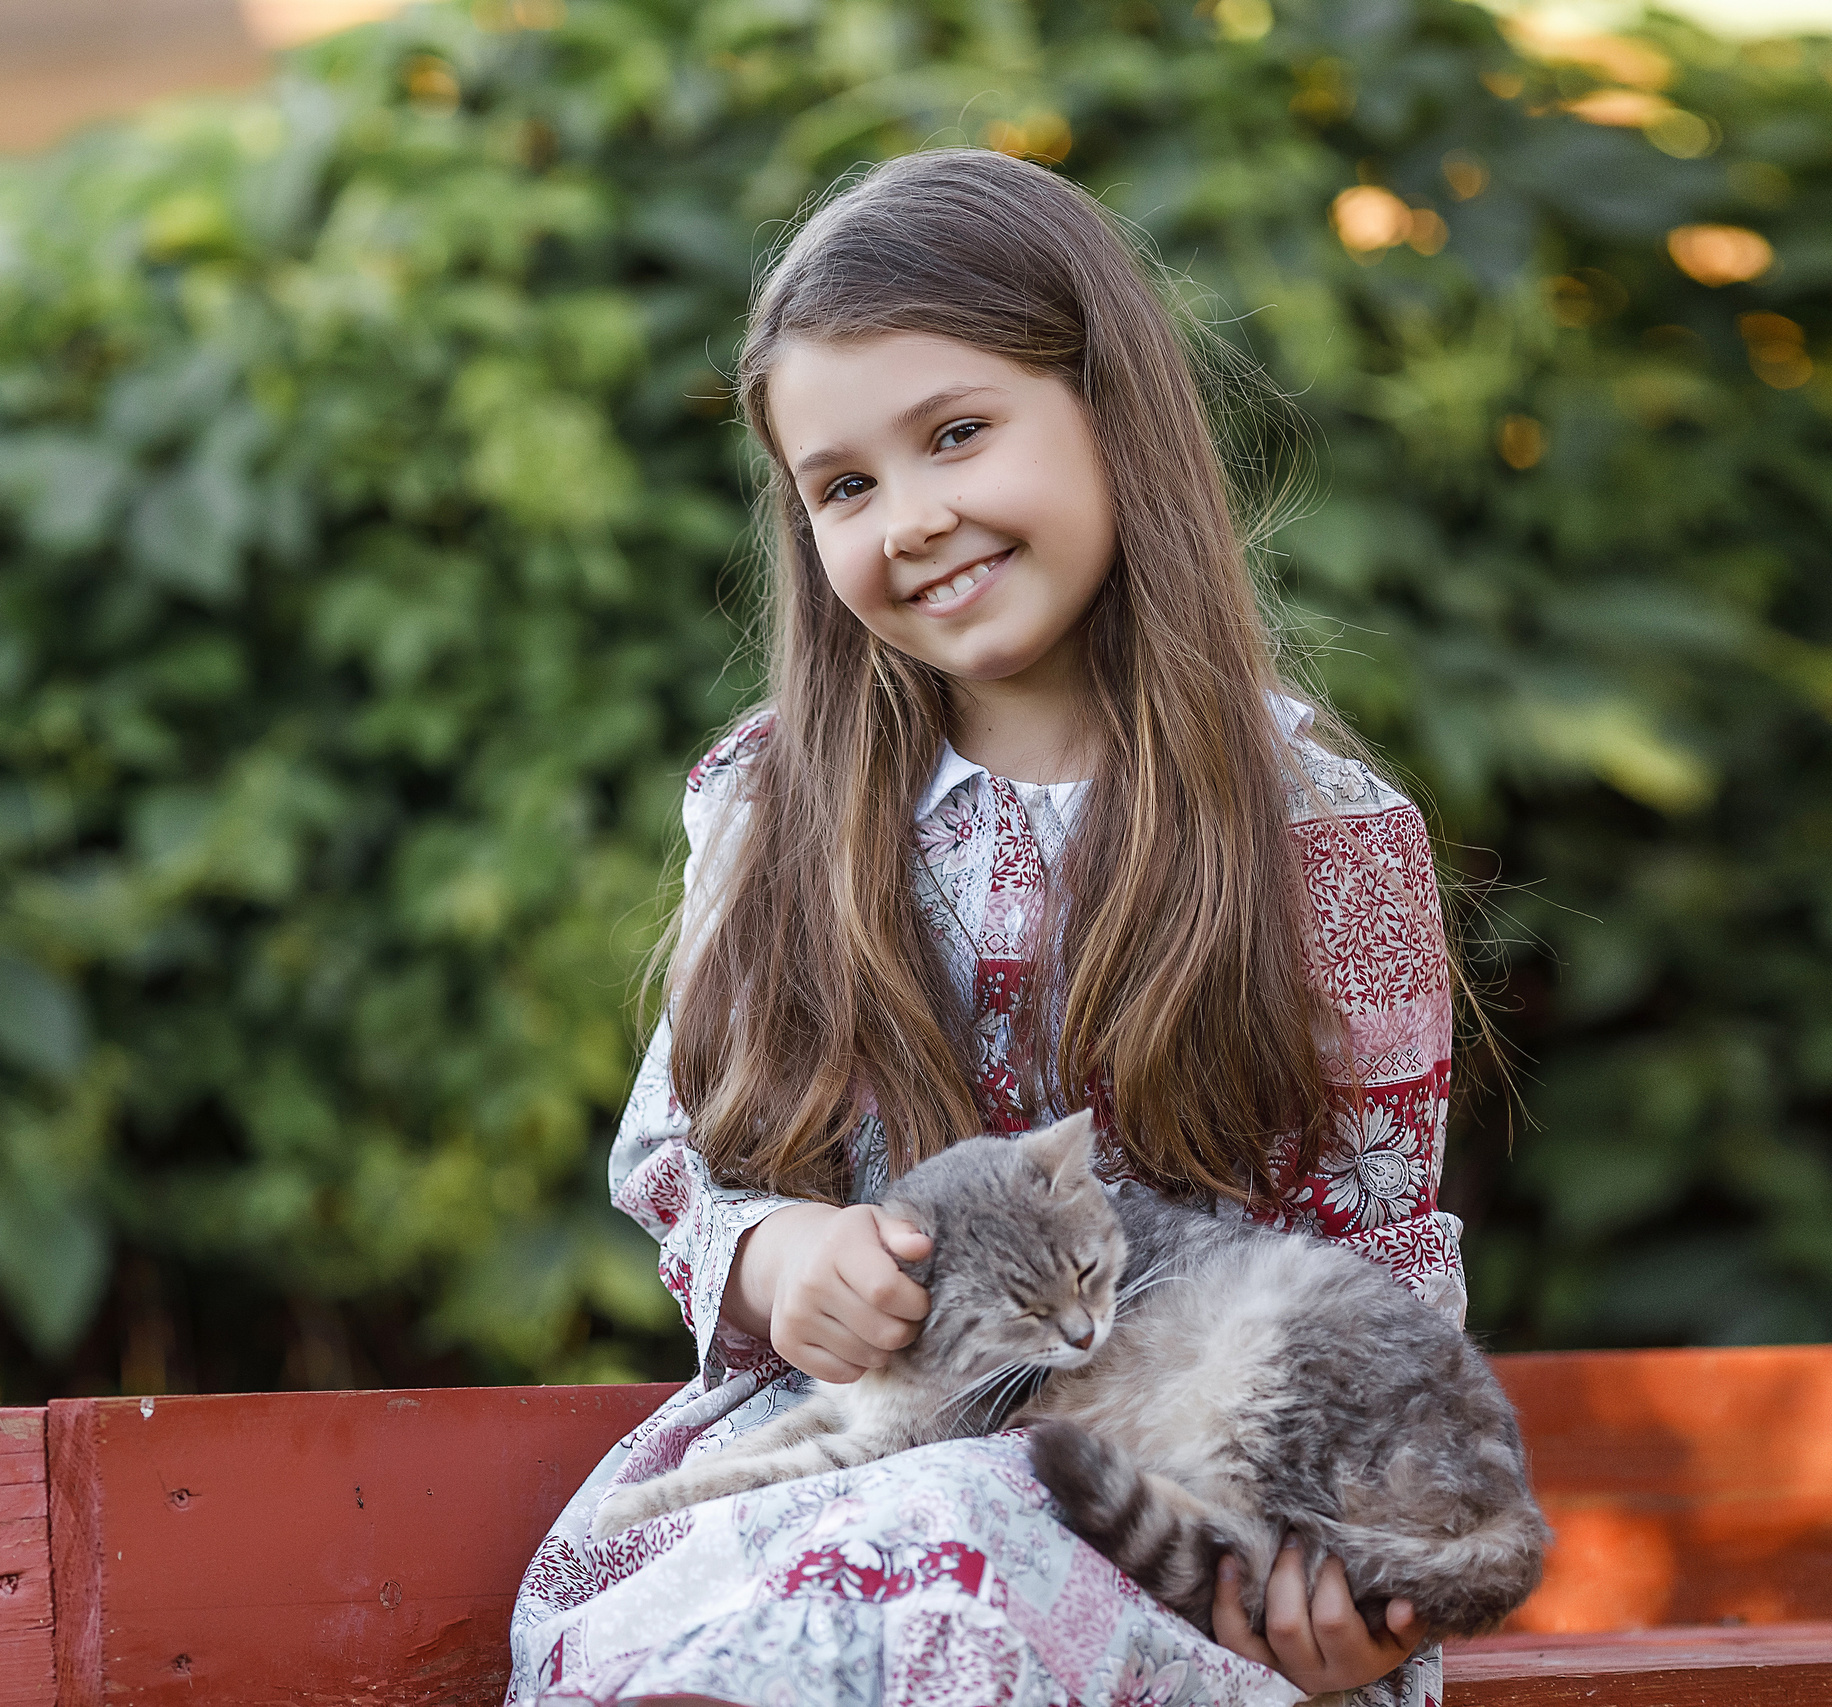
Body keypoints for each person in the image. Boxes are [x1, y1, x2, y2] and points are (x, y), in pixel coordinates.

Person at [506, 149, 1464, 1707]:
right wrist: (781, 1259)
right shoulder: (776, 809)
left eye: (957, 434)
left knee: (970, 1522)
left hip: (1185, 1513)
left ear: (1109, 412)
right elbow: (683, 1159)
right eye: (845, 486)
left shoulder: (1319, 833)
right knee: (820, 1563)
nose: (914, 518)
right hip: (834, 1470)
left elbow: (1377, 1251)